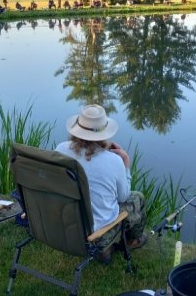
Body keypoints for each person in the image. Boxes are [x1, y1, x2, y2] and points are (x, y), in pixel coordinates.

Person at [55, 104, 147, 263]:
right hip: (97, 233)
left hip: (67, 225)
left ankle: (105, 246)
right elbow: (123, 197)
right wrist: (125, 163)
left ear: (77, 129)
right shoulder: (114, 161)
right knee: (137, 198)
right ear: (104, 134)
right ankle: (129, 241)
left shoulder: (60, 150)